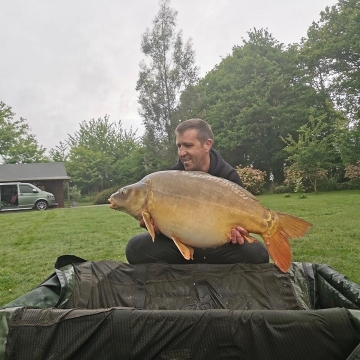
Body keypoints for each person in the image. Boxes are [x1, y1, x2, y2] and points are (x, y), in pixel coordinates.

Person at [125, 118, 269, 265]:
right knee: (135, 248)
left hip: (219, 246)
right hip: (179, 244)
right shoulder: (171, 178)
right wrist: (155, 226)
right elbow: (166, 225)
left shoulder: (228, 176)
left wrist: (239, 233)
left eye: (188, 145)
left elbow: (243, 226)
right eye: (179, 146)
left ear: (207, 145)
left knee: (258, 254)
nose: (181, 153)